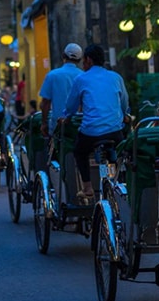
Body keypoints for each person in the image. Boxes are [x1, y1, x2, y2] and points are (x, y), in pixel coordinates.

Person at [57, 43, 130, 203]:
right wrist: (125, 115)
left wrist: (66, 116)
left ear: (88, 60)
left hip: (91, 133)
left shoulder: (81, 79)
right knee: (122, 152)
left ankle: (88, 187)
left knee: (80, 152)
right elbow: (124, 102)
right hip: (114, 131)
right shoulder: (116, 77)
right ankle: (121, 181)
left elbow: (71, 106)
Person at [39, 43, 83, 138]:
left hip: (57, 124)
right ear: (79, 60)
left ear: (63, 55)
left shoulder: (52, 75)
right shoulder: (84, 76)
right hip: (80, 124)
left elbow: (45, 103)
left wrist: (44, 123)